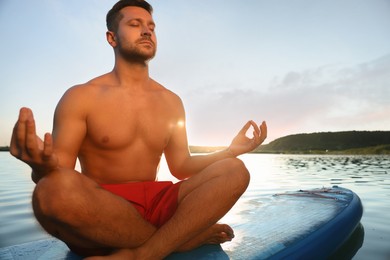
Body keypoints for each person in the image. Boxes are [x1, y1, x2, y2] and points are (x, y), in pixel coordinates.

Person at [10, 0, 267, 259]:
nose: (147, 31)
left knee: (234, 169)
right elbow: (60, 172)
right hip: (104, 210)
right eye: (135, 24)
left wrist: (230, 151)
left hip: (159, 203)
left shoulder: (171, 101)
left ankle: (145, 253)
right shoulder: (81, 97)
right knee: (49, 191)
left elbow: (180, 165)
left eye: (151, 27)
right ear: (112, 37)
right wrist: (40, 166)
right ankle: (181, 239)